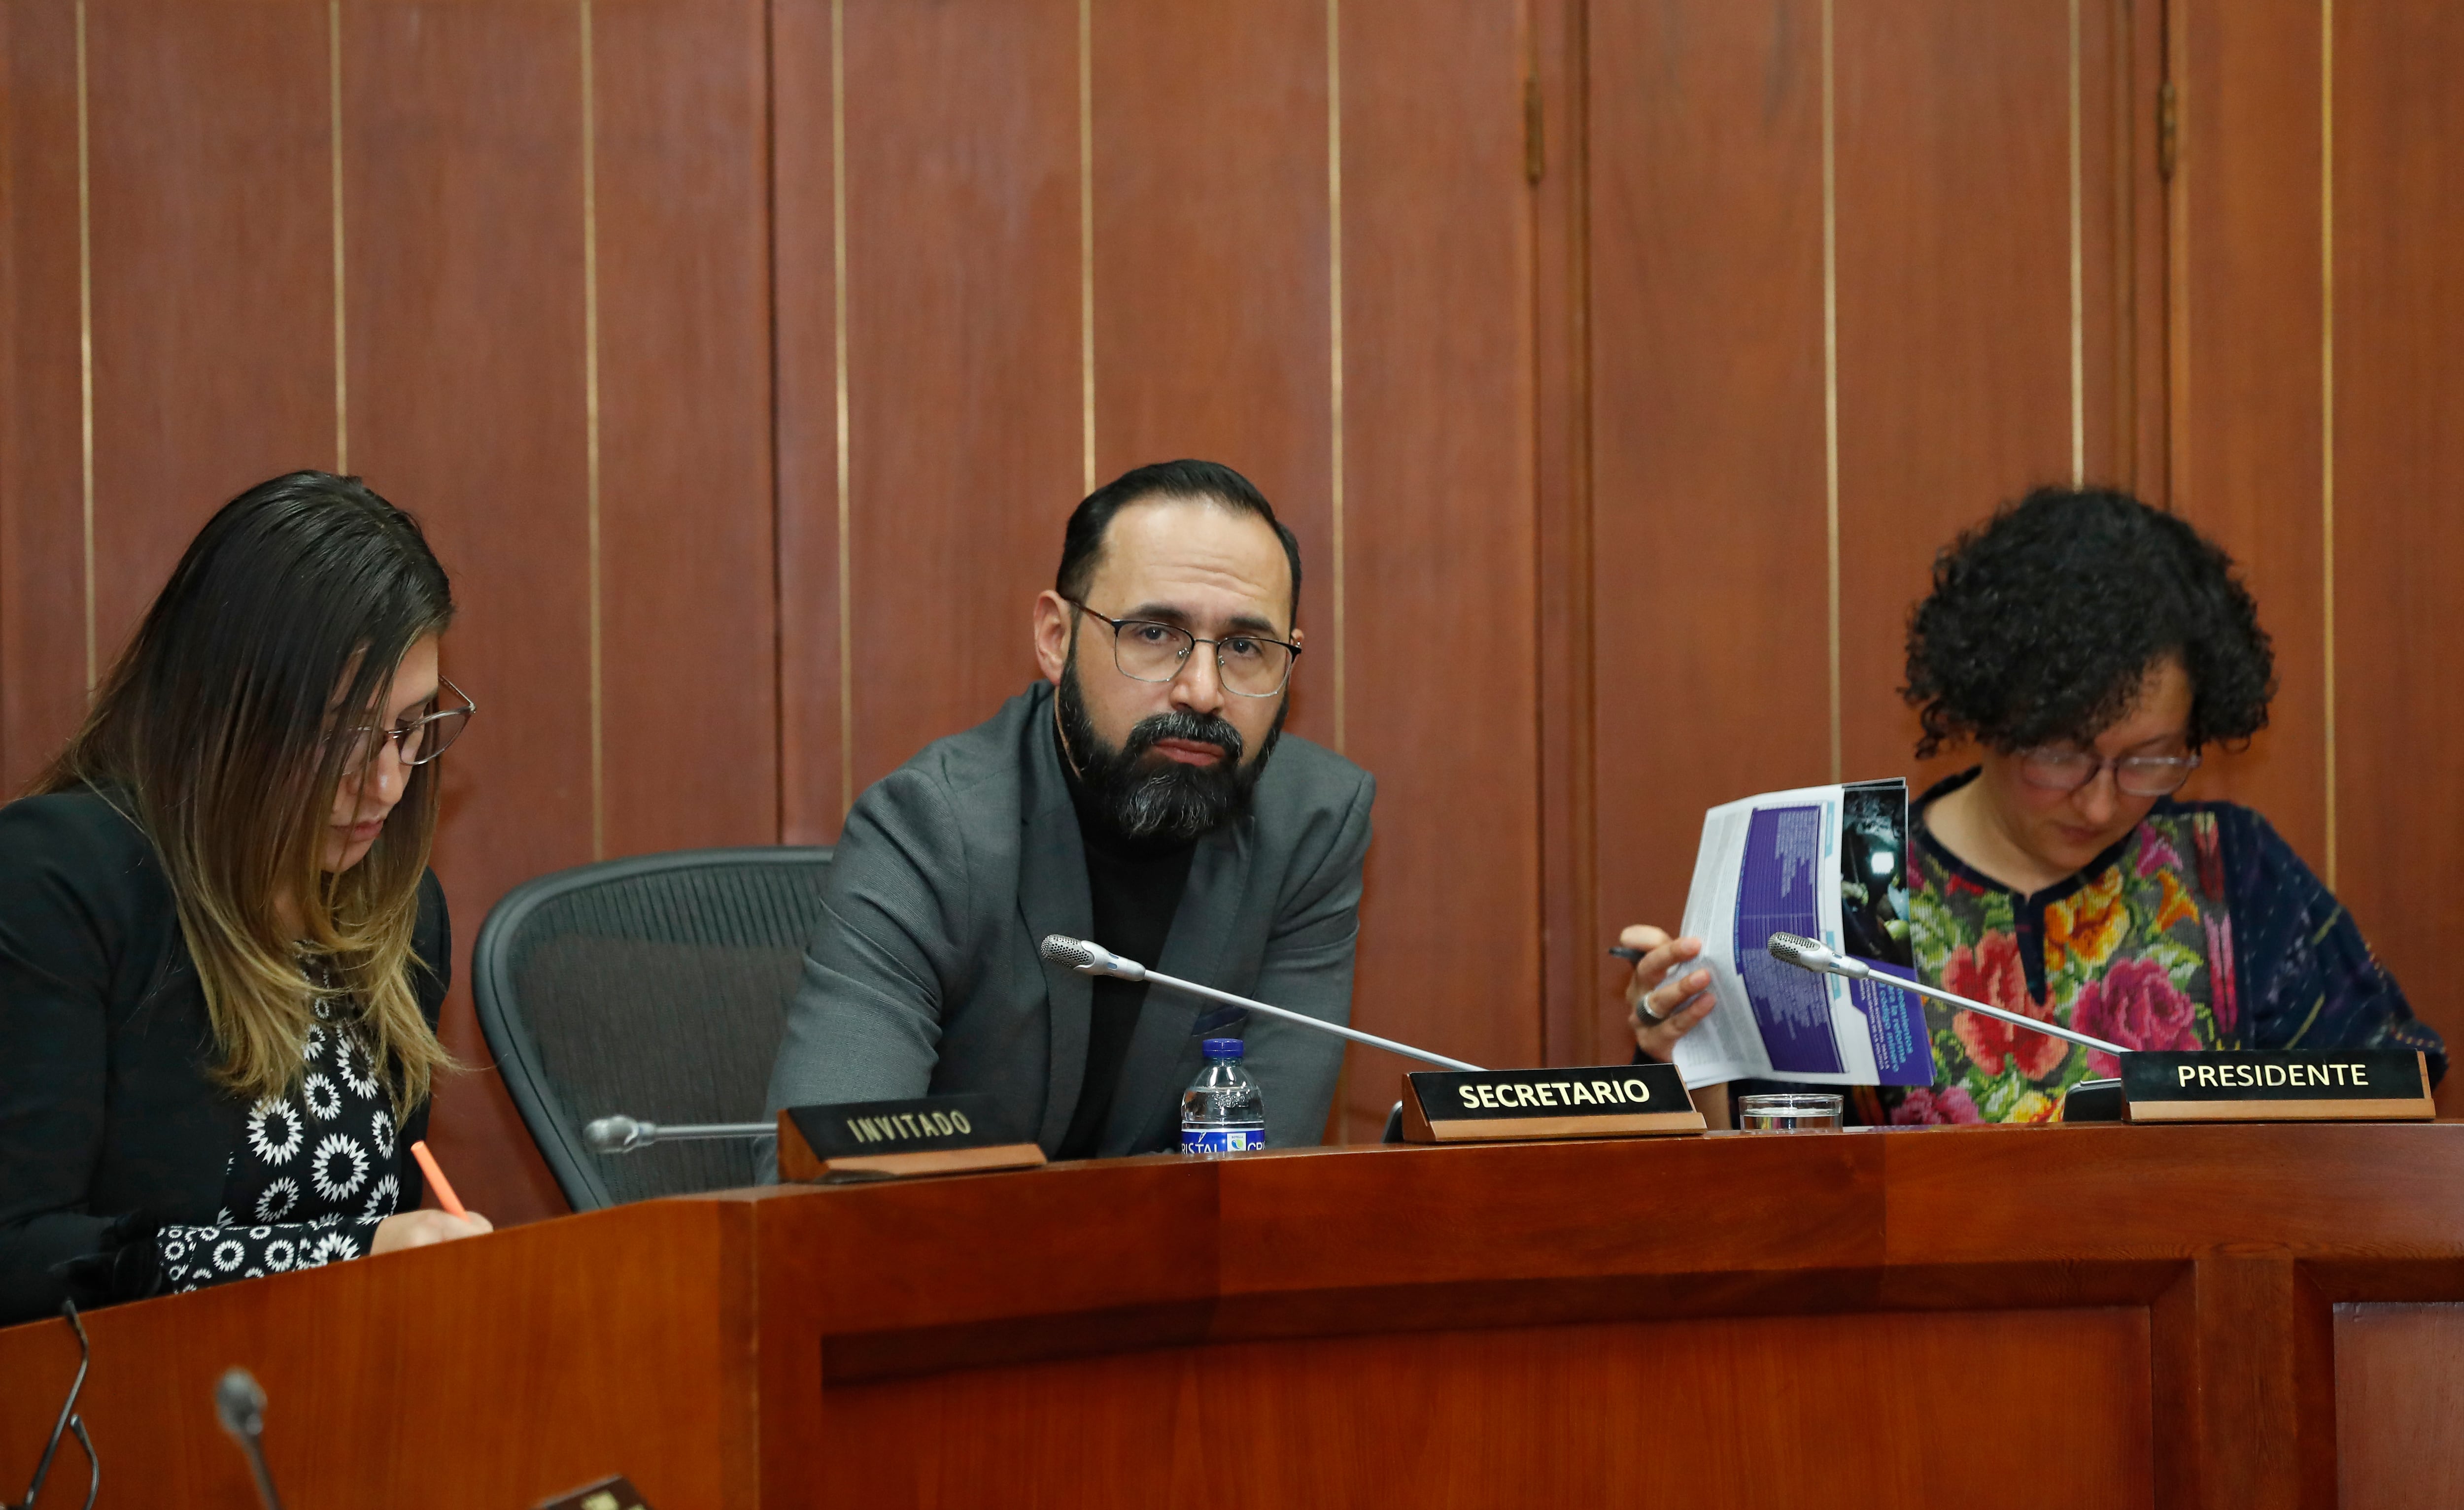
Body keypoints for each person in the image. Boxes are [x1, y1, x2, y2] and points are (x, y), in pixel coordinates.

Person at [1619, 487, 2443, 1124]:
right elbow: (1763, 1188)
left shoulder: (2234, 872)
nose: (2099, 799)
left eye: (2150, 760)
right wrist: (1690, 1053)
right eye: (2061, 754)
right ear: (1991, 717)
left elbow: (2389, 1095)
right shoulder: (1848, 888)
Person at [764, 460, 1374, 1164]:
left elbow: (1262, 1183)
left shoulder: (1313, 826)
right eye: (1153, 633)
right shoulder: (927, 831)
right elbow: (824, 1192)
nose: (1203, 690)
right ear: (1057, 638)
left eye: (1244, 647)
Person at [0, 472, 490, 1326]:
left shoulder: (401, 916)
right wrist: (339, 1258)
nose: (383, 783)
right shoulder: (61, 879)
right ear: (225, 714)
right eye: (342, 733)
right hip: (133, 1428)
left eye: (412, 729)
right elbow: (19, 1256)